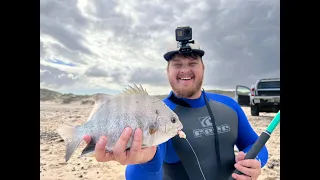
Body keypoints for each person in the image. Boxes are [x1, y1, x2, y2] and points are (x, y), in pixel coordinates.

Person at [83, 40, 269, 180]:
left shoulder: (229, 106)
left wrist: (256, 160)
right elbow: (142, 175)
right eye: (177, 64)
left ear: (203, 68)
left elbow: (254, 143)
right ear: (168, 71)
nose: (185, 70)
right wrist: (144, 161)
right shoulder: (159, 113)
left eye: (192, 63)